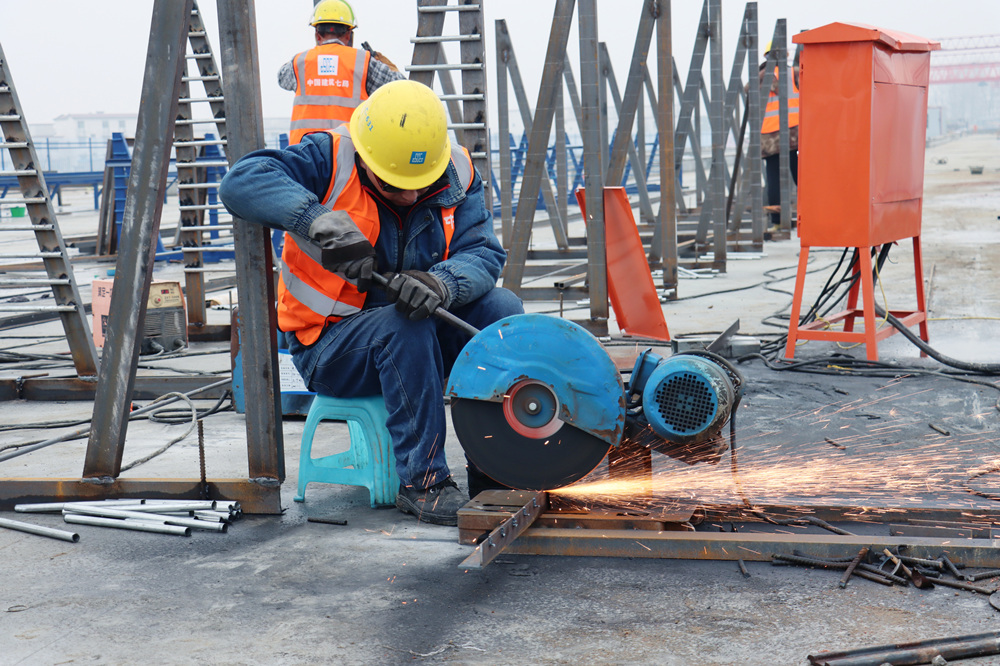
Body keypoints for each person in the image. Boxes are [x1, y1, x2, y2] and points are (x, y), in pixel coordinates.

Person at [219, 80, 524, 526]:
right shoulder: (328, 158)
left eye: (421, 185)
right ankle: (424, 482)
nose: (410, 197)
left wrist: (440, 284)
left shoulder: (457, 169)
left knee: (502, 308)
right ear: (366, 157)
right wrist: (315, 220)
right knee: (405, 326)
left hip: (414, 333)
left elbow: (483, 252)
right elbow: (242, 182)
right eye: (397, 185)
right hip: (330, 346)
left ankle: (495, 470)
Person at [278, 0, 405, 144]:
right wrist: (380, 61)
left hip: (304, 156)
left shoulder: (299, 62)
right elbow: (400, 88)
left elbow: (281, 79)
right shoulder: (364, 62)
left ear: (317, 34)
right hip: (349, 153)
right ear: (348, 34)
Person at [759, 40, 800, 229]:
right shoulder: (794, 73)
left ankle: (776, 222)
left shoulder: (759, 77)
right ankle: (811, 215)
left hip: (769, 136)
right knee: (800, 174)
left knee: (773, 176)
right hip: (792, 133)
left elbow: (746, 90)